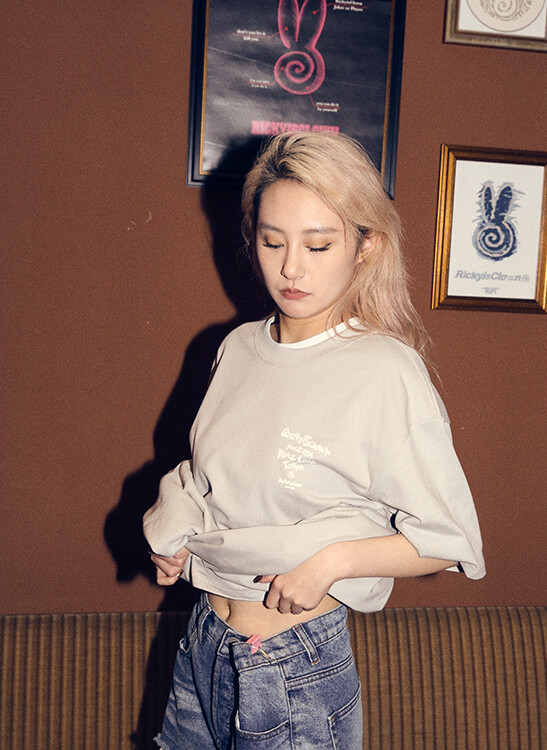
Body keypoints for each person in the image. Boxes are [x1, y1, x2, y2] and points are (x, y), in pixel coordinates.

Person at [143, 131, 485, 750]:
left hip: (292, 666)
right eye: (272, 241)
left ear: (365, 245)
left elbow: (447, 540)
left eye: (318, 244)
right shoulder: (235, 348)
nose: (291, 268)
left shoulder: (384, 371)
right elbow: (212, 478)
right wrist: (179, 538)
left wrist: (332, 563)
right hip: (202, 644)